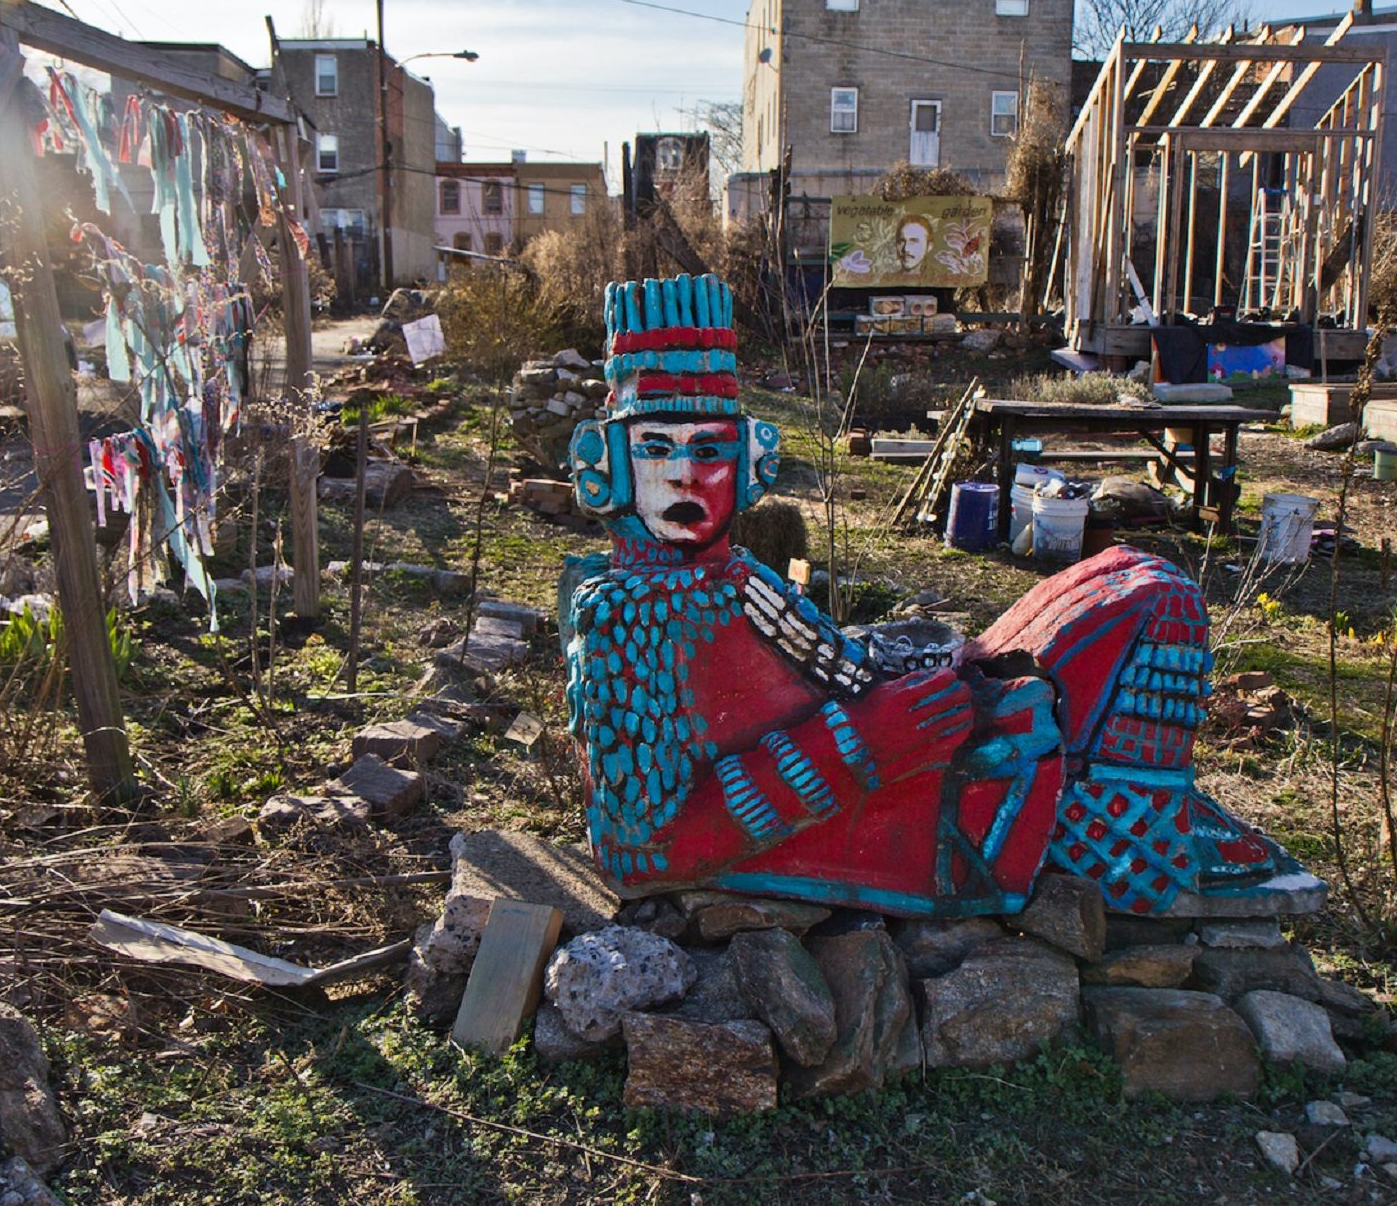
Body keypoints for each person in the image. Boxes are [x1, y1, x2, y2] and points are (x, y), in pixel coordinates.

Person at [562, 273, 1311, 918]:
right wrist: (862, 742)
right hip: (895, 799)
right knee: (1156, 599)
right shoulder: (626, 612)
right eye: (656, 449)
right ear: (611, 465)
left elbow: (820, 668)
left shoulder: (726, 577)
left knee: (1121, 570)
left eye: (709, 448)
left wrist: (898, 662)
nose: (687, 477)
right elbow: (643, 848)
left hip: (904, 753)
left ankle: (1141, 814)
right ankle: (1135, 837)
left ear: (749, 458)